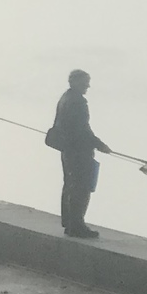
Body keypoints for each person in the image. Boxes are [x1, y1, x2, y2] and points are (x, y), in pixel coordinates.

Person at [46, 69, 110, 239]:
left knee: (70, 185)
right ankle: (77, 225)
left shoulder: (65, 98)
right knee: (81, 188)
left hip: (68, 149)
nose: (88, 85)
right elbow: (82, 129)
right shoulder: (77, 102)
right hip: (79, 151)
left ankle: (70, 223)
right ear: (74, 82)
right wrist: (99, 144)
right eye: (84, 82)